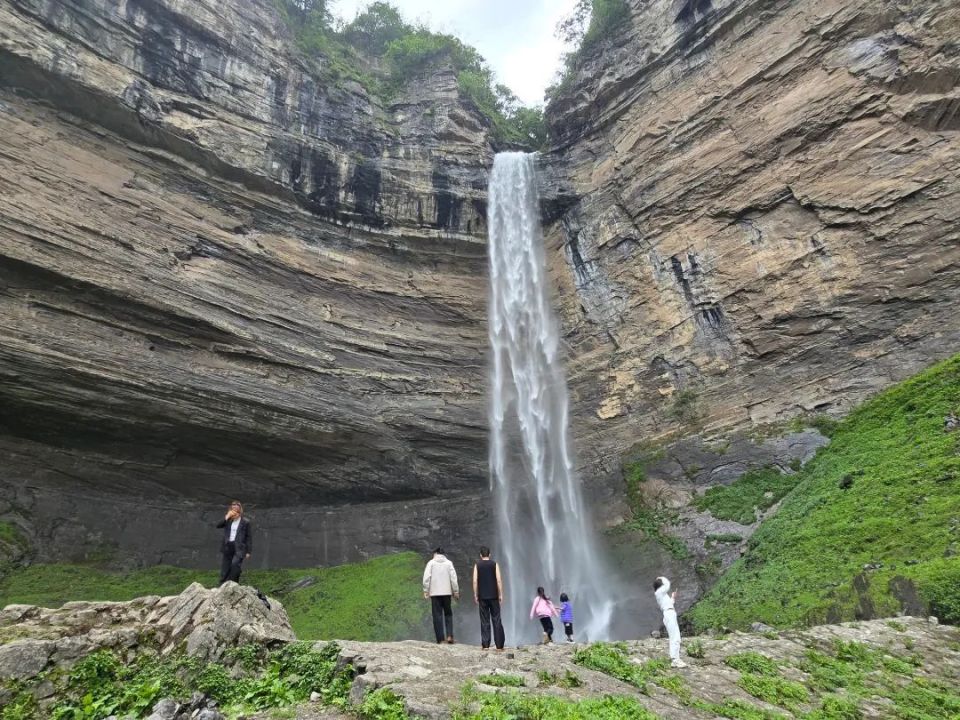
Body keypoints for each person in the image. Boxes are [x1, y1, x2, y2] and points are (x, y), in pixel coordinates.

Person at [423, 547, 459, 644]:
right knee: (448, 614)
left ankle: (440, 639)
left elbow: (426, 578)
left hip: (435, 593)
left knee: (437, 616)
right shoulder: (449, 563)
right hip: (447, 593)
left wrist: (426, 591)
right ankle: (450, 636)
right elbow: (453, 578)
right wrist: (455, 591)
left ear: (435, 553)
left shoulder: (431, 563)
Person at [472, 546, 505, 651]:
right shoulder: (494, 564)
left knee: (484, 620)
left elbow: (475, 581)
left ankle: (485, 644)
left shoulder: (477, 565)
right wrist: (500, 594)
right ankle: (499, 645)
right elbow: (499, 580)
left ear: (481, 555)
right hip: (494, 596)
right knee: (496, 619)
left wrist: (475, 594)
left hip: (482, 597)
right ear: (489, 555)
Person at [654, 576, 688, 668]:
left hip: (670, 613)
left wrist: (673, 597)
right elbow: (667, 584)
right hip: (669, 614)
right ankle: (675, 660)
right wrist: (661, 577)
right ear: (660, 585)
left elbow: (669, 603)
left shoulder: (662, 595)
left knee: (675, 637)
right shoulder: (659, 592)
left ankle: (675, 659)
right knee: (675, 637)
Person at [215, 500, 252, 586]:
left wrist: (248, 551)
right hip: (228, 546)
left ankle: (233, 584)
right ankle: (222, 585)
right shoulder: (228, 520)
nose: (234, 513)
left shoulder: (245, 522)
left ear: (239, 511)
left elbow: (248, 537)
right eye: (232, 510)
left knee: (235, 565)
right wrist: (227, 516)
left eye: (236, 511)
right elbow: (218, 525)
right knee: (225, 567)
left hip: (239, 547)